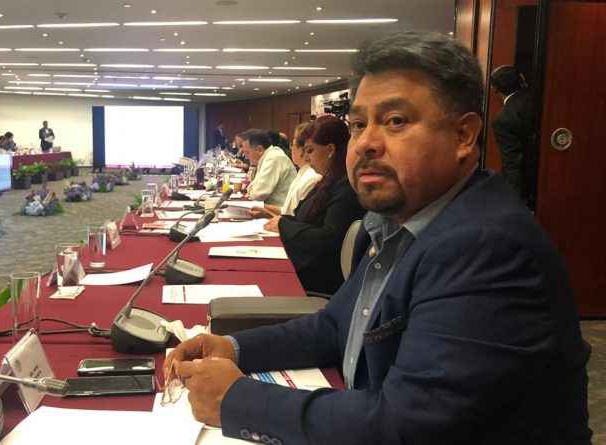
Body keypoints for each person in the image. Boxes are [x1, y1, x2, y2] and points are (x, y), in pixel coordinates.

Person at [164, 30, 591, 445]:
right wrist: (233, 347)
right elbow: (333, 326)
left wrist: (235, 400)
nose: (365, 142)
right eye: (357, 124)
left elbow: (406, 426)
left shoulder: (486, 246)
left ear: (463, 136)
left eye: (395, 121)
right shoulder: (398, 222)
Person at [262, 115, 366, 294]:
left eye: (310, 151)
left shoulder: (345, 187)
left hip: (318, 280)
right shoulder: (328, 181)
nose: (307, 158)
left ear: (330, 149)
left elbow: (328, 240)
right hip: (307, 269)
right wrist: (279, 220)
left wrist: (283, 224)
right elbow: (306, 220)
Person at [249, 122, 321, 218]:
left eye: (292, 145)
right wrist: (263, 208)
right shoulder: (303, 173)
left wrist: (267, 214)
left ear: (300, 151)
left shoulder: (311, 178)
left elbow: (294, 219)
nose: (291, 149)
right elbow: (287, 211)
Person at [490, 65, 532, 200]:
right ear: (522, 78)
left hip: (526, 183)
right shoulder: (540, 99)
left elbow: (513, 162)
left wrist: (513, 200)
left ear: (494, 89)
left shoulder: (503, 118)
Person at [243, 129, 296, 207]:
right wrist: (251, 189)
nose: (246, 157)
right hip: (271, 209)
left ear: (260, 150)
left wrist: (251, 190)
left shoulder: (274, 158)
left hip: (280, 211)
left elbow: (258, 194)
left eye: (247, 153)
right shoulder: (268, 157)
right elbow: (252, 187)